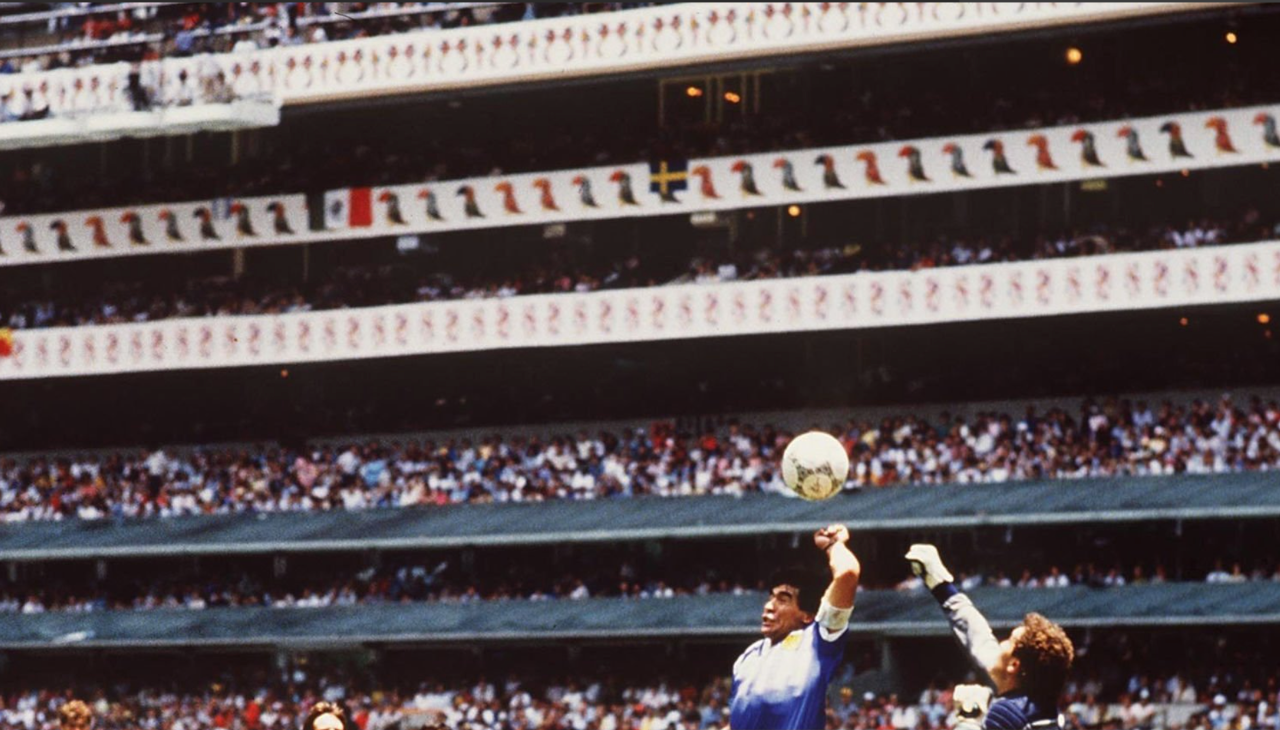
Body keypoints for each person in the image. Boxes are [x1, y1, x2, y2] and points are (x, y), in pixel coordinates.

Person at [905, 544, 1074, 730]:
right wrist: (940, 585)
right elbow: (979, 638)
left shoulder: (1008, 713)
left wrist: (968, 720)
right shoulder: (1035, 704)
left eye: (1009, 641)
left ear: (1014, 665)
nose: (999, 644)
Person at [729, 523, 861, 730]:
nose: (768, 607)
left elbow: (848, 574)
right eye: (770, 597)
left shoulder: (818, 642)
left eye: (783, 599)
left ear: (807, 616)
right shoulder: (747, 657)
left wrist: (833, 546)